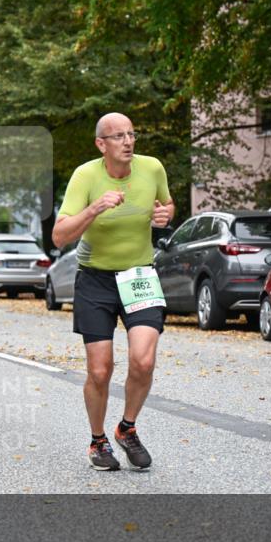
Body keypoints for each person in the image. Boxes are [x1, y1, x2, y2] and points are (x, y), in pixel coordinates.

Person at [52, 113, 174, 472]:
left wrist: (164, 215)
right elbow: (60, 236)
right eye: (118, 136)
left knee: (144, 360)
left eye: (131, 134)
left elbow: (166, 207)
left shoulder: (152, 169)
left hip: (140, 276)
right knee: (101, 370)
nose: (128, 141)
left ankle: (127, 428)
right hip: (95, 281)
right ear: (101, 144)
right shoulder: (86, 176)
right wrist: (94, 208)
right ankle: (98, 440)